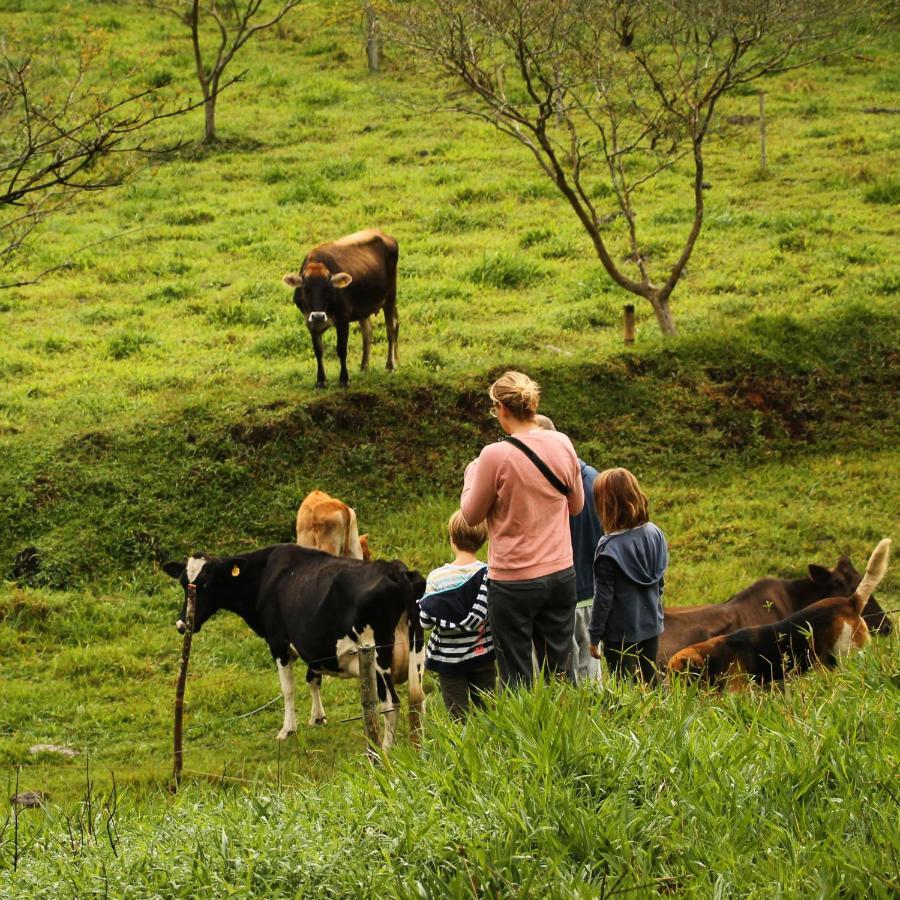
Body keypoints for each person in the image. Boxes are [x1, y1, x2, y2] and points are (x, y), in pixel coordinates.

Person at [460, 371, 584, 688]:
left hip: (513, 580)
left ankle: (525, 735)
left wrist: (470, 477)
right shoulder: (562, 443)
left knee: (516, 675)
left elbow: (471, 516)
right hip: (560, 573)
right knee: (561, 671)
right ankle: (569, 731)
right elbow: (576, 506)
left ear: (501, 408)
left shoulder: (493, 455)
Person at [534, 414, 602, 684]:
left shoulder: (549, 487)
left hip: (558, 597)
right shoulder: (594, 477)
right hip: (592, 595)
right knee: (590, 678)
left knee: (557, 681)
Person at [588, 468, 667, 683]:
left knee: (624, 687)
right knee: (652, 679)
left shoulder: (608, 550)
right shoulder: (654, 532)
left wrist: (594, 636)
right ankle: (663, 715)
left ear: (605, 505)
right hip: (651, 623)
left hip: (619, 634)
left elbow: (603, 600)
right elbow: (659, 582)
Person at [418, 511, 495, 719]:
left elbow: (425, 622)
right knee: (488, 713)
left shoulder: (437, 577)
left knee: (457, 717)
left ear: (452, 540)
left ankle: (464, 751)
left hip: (449, 663)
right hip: (482, 656)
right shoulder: (489, 573)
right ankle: (494, 749)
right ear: (482, 540)